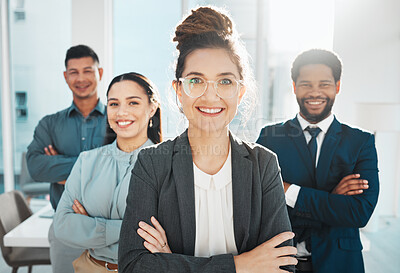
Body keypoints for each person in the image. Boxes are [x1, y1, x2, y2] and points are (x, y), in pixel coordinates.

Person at [119, 6, 297, 273]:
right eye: (196, 81)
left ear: (240, 91)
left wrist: (170, 261)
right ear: (178, 90)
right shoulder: (152, 164)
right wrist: (240, 265)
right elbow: (134, 266)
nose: (211, 96)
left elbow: (283, 267)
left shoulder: (263, 164)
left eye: (225, 82)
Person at [256, 49, 379, 273]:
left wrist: (288, 191)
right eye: (306, 84)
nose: (315, 92)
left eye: (324, 84)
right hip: (281, 263)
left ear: (337, 86)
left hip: (340, 264)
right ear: (294, 87)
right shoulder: (269, 137)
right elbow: (258, 205)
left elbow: (359, 213)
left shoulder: (361, 142)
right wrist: (332, 200)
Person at [53, 72, 162, 272]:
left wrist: (91, 226)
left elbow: (172, 233)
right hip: (90, 267)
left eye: (133, 103)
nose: (121, 112)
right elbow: (62, 226)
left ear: (152, 107)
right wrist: (130, 229)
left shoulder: (166, 164)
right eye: (113, 104)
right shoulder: (87, 161)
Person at [26, 44, 107, 273]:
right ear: (65, 76)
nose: (81, 78)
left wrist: (60, 167)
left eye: (88, 70)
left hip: (108, 229)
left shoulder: (117, 121)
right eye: (74, 72)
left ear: (99, 73)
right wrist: (93, 168)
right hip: (65, 229)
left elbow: (121, 170)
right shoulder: (49, 124)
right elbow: (36, 167)